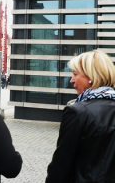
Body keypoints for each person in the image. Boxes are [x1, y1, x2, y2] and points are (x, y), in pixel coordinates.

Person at [46, 50, 115, 183]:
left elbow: (61, 165)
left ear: (92, 77)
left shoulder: (77, 112)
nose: (71, 80)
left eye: (75, 74)